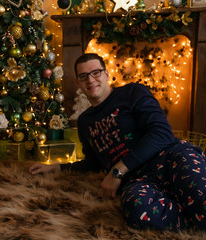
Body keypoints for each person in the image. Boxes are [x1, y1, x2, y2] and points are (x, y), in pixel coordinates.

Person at [29, 53, 206, 231]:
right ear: (78, 82)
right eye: (83, 76)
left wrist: (117, 172)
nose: (90, 80)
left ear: (106, 74)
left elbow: (162, 133)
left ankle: (195, 211)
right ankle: (194, 217)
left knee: (201, 197)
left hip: (171, 158)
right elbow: (93, 163)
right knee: (138, 212)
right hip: (137, 180)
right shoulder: (84, 122)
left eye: (96, 73)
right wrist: (58, 167)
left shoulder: (132, 92)